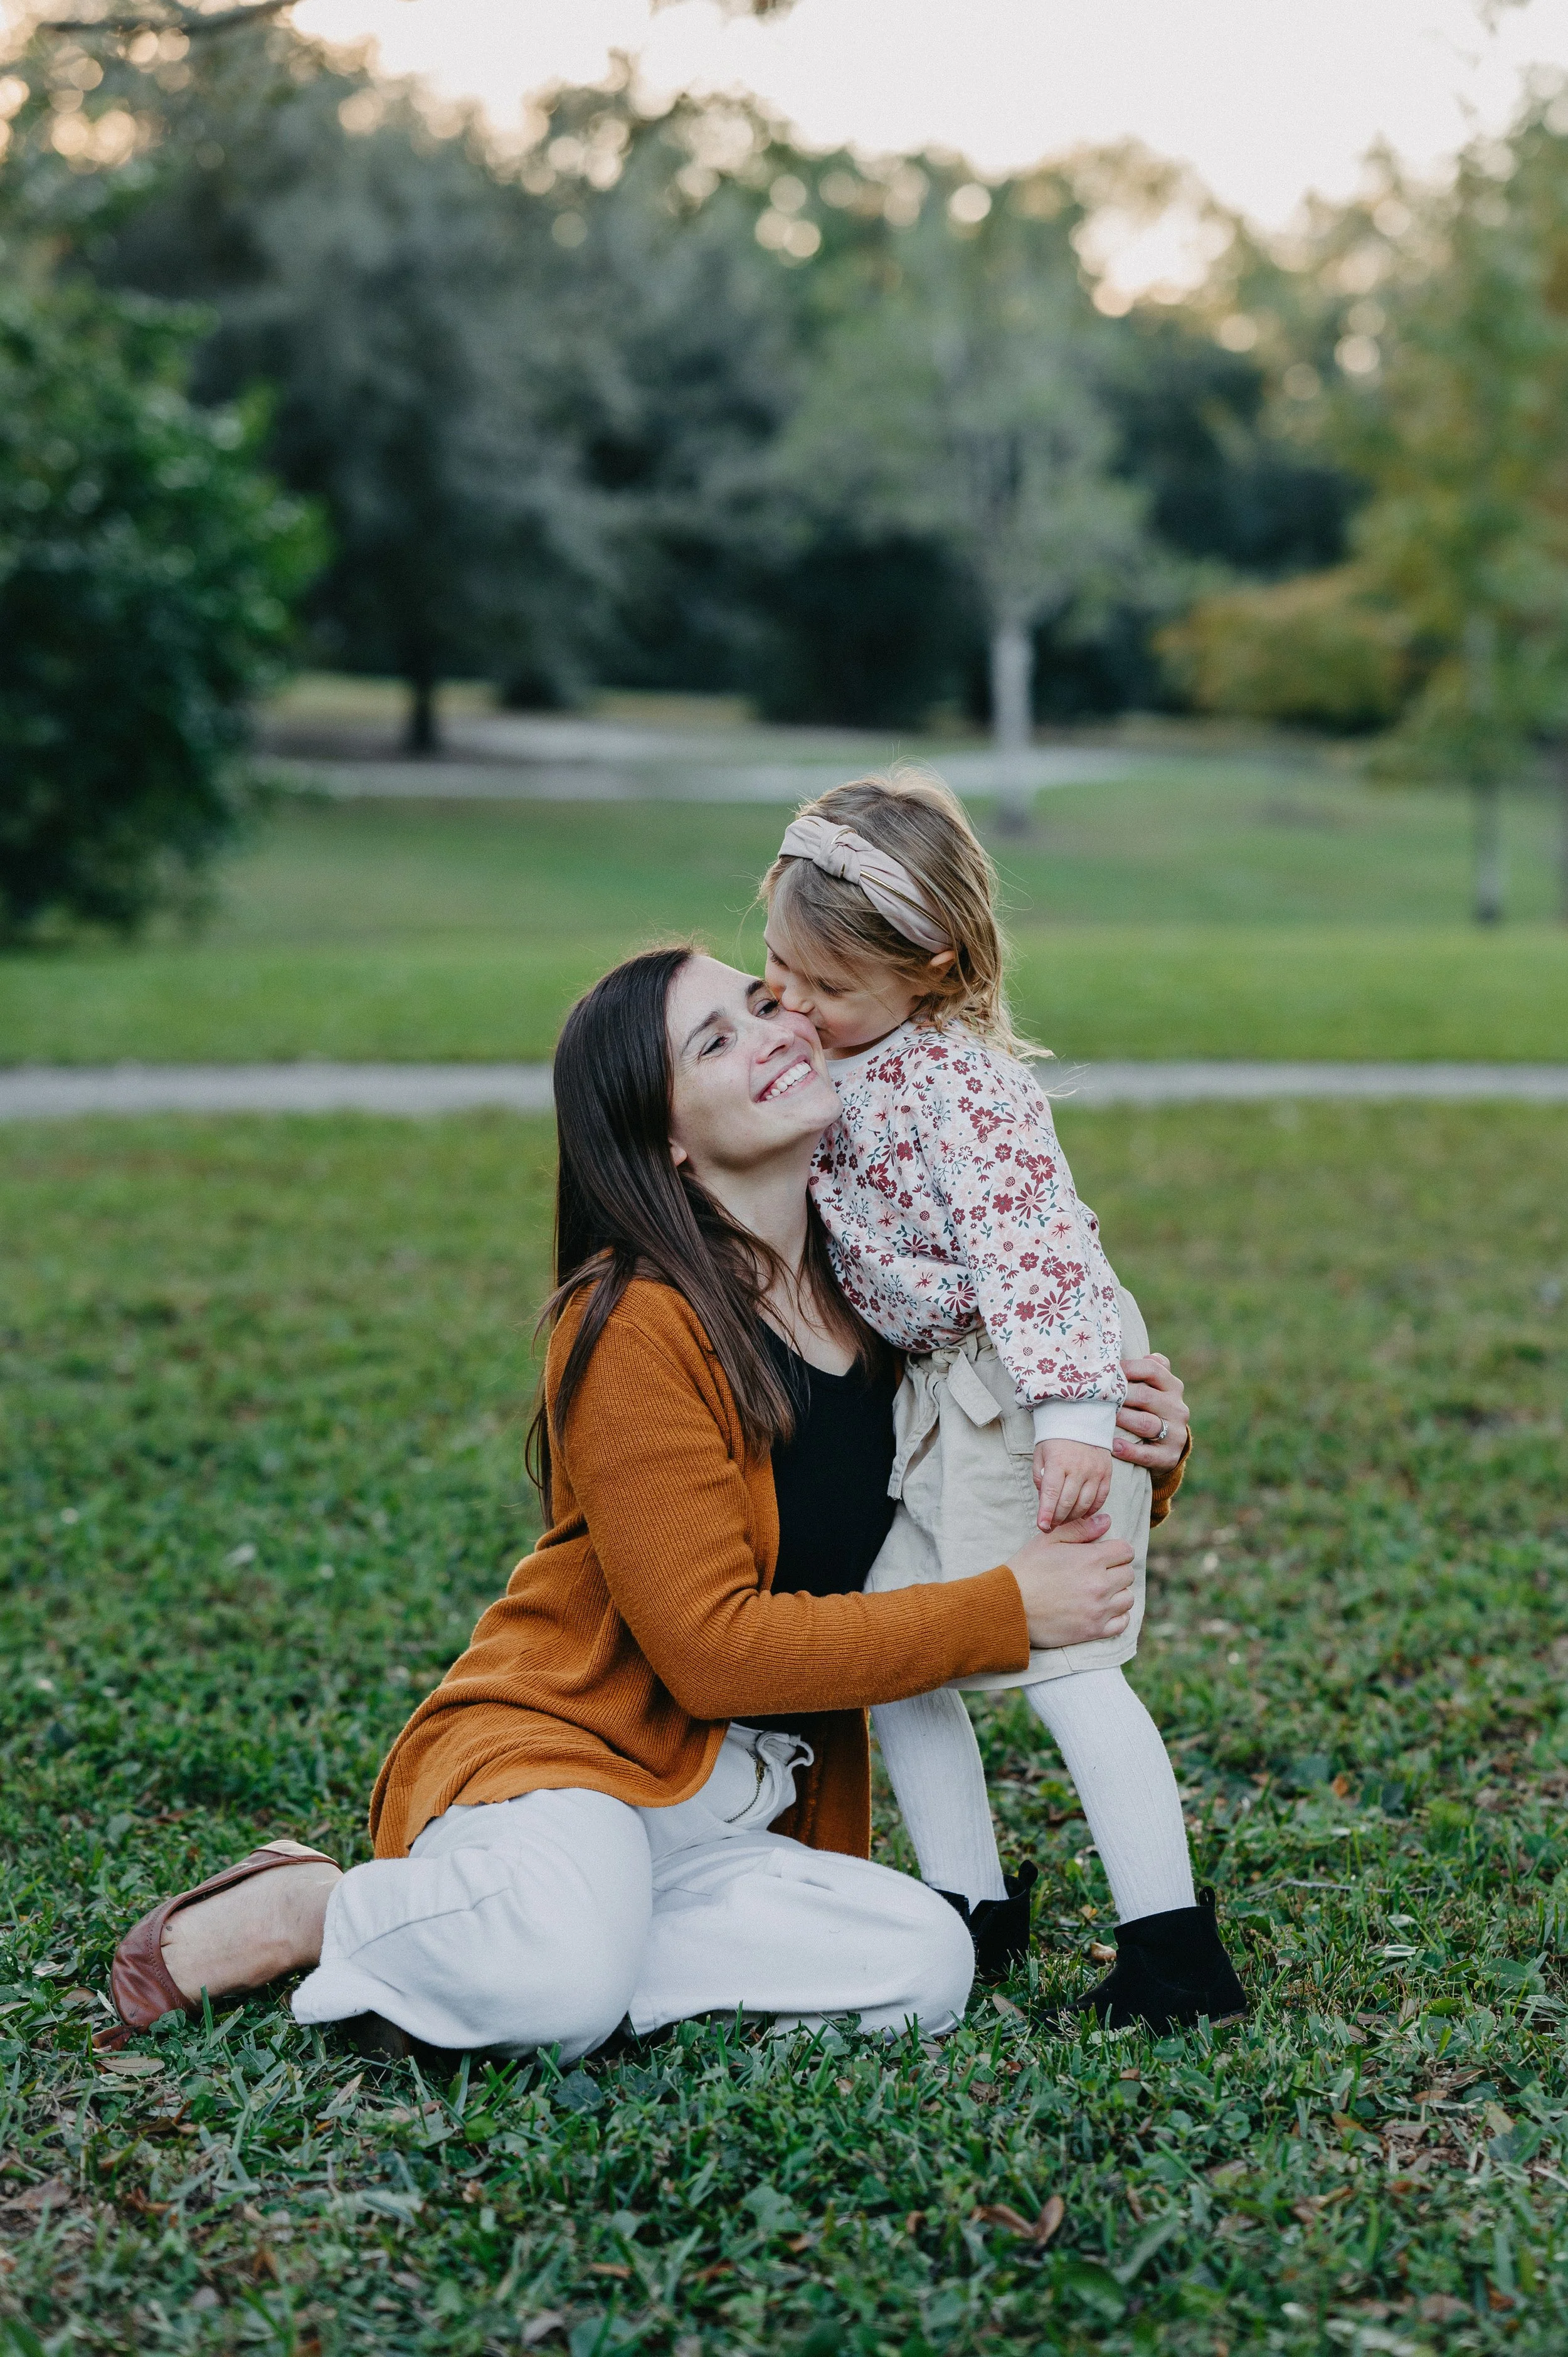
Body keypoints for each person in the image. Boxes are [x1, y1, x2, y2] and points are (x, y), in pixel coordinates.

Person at [104, 946, 1148, 2063]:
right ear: (666, 1140)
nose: (776, 1030)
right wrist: (1006, 1609)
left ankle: (542, 1954)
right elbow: (711, 1651)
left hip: (737, 1809)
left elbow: (992, 1469)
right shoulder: (633, 1324)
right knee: (560, 1974)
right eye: (717, 1041)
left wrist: (1140, 1437)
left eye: (760, 1004)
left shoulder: (877, 1298)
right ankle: (322, 1908)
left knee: (925, 1963)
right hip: (573, 1758)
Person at [759, 769, 1246, 2030]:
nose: (792, 1005)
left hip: (1028, 1378)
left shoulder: (961, 1084)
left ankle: (1171, 1954)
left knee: (1064, 1657)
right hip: (942, 1389)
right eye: (777, 969)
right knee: (900, 1637)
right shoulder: (838, 1055)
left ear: (926, 963)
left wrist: (1076, 1422)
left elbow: (1041, 1254)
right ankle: (966, 1908)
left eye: (826, 986)